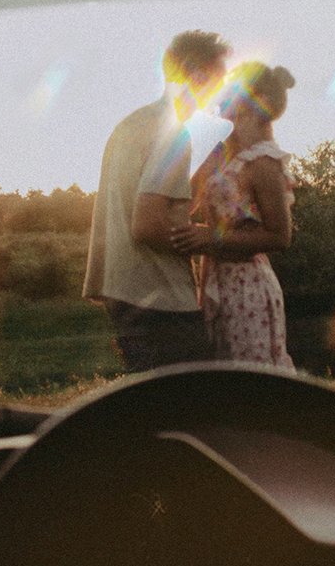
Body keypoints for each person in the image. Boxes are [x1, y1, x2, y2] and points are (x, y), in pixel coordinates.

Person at [83, 28, 230, 372]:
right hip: (160, 300)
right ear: (196, 75)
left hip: (125, 293)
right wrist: (213, 241)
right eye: (219, 78)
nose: (221, 90)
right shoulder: (173, 133)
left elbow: (156, 208)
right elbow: (147, 226)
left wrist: (204, 175)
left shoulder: (132, 125)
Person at [171, 61, 296, 368]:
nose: (221, 98)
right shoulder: (225, 153)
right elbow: (185, 197)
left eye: (231, 92)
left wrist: (210, 237)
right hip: (215, 279)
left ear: (254, 103)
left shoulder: (264, 161)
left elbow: (280, 236)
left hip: (246, 288)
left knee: (252, 384)